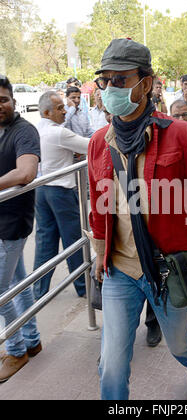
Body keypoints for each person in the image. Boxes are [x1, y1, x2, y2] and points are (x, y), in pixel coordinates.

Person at [88, 38, 187, 400]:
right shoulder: (98, 143)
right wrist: (99, 251)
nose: (110, 89)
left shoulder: (184, 136)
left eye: (120, 80)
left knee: (179, 344)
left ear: (146, 82)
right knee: (111, 364)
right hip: (121, 269)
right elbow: (98, 202)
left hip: (171, 267)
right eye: (104, 81)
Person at [0, 75, 41, 382]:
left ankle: (16, 350)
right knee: (18, 281)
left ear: (13, 100)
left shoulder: (24, 131)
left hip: (10, 223)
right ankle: (31, 339)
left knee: (1, 291)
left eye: (3, 99)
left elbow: (26, 172)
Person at [33, 91, 90, 300]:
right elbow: (90, 145)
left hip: (41, 190)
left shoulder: (35, 129)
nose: (65, 111)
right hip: (61, 192)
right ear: (47, 112)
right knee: (73, 241)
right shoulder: (58, 133)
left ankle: (39, 290)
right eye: (59, 108)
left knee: (45, 242)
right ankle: (84, 287)